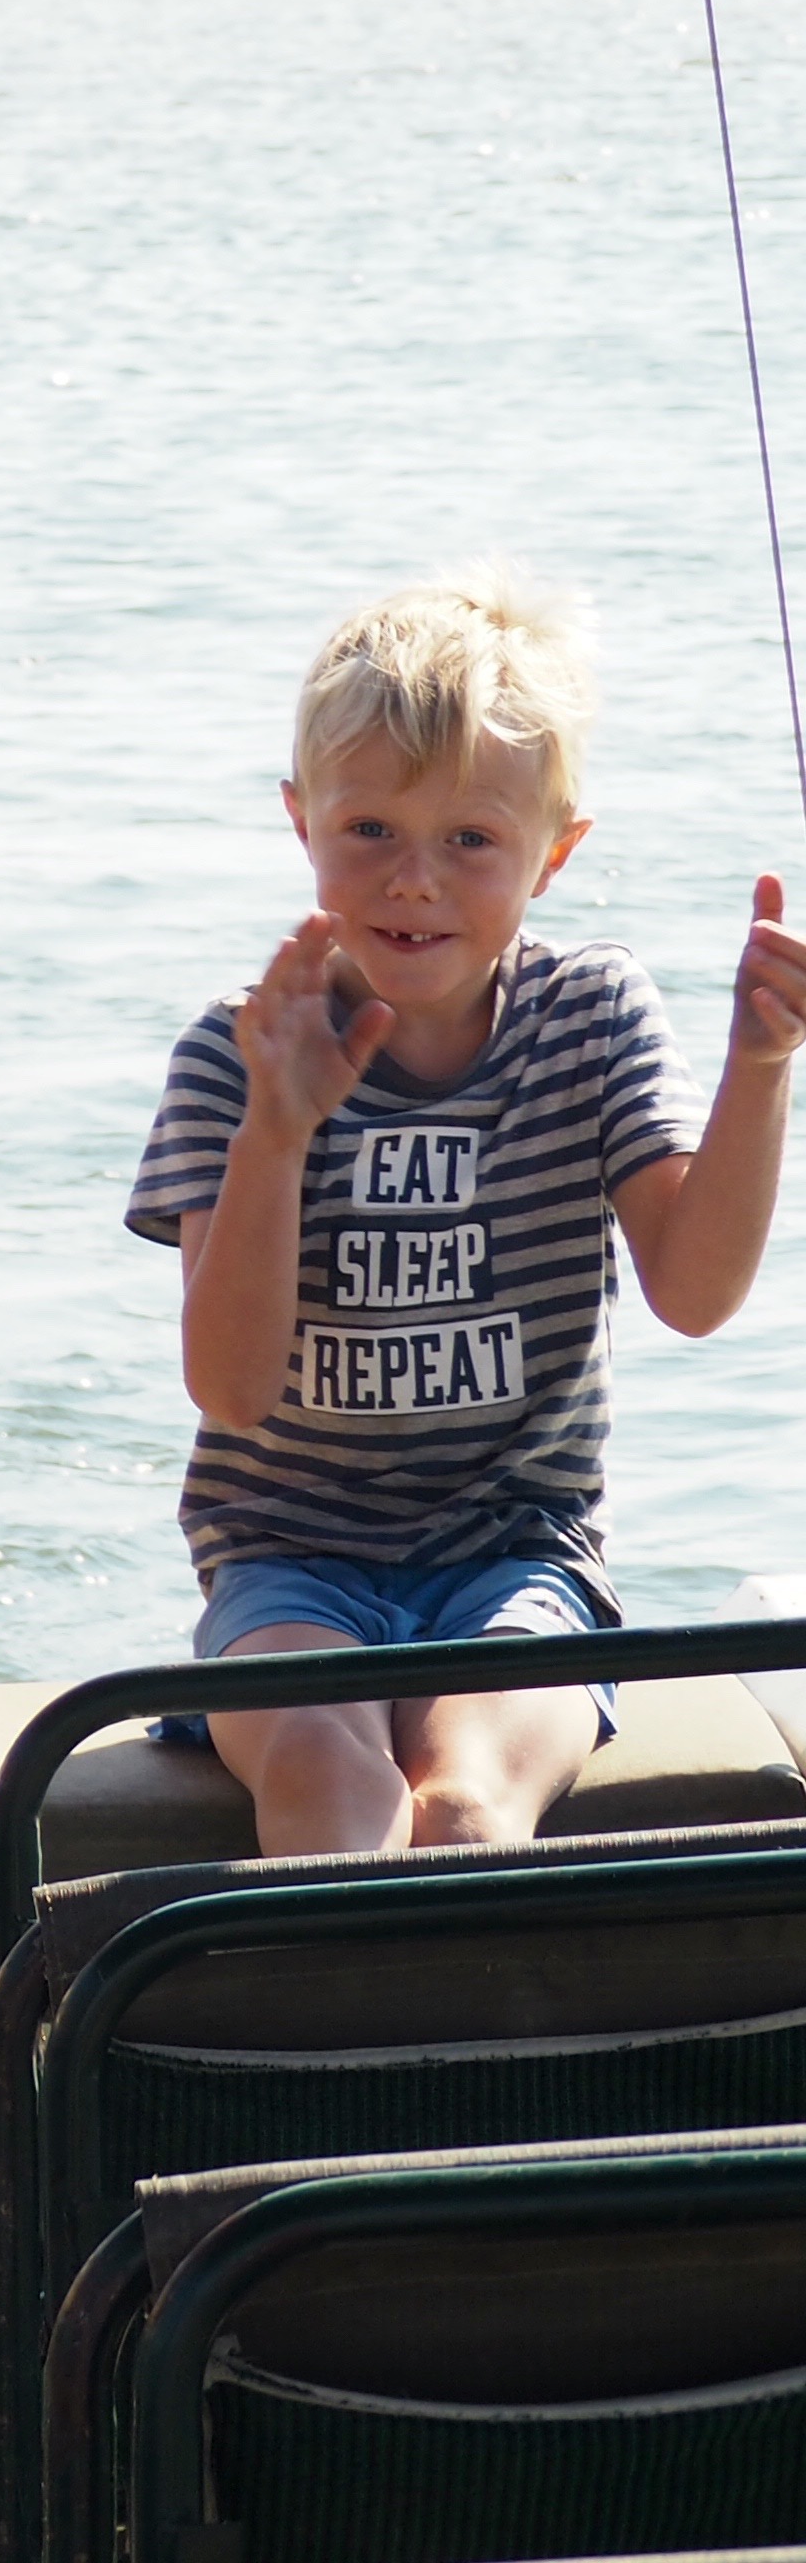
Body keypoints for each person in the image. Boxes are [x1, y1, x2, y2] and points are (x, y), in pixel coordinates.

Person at [129, 575, 806, 1856]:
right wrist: (279, 1132)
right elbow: (227, 1385)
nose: (416, 882)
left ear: (557, 850)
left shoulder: (592, 1018)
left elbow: (697, 1292)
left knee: (465, 1801)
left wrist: (762, 1065)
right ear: (300, 822)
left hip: (521, 1557)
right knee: (332, 1781)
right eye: (371, 828)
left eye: (473, 840)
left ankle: (451, 2059)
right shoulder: (240, 1050)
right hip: (285, 1564)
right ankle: (332, 2057)